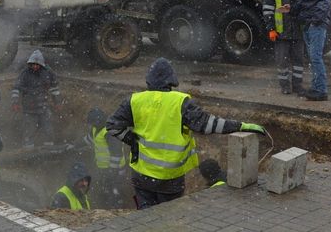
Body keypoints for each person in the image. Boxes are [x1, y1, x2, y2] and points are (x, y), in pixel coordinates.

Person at [106, 57, 266, 209]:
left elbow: (112, 127)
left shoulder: (134, 101)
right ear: (171, 80)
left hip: (141, 176)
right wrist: (241, 126)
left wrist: (132, 141)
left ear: (149, 79)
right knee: (169, 216)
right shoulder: (181, 103)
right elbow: (209, 125)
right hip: (170, 179)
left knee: (146, 215)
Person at [290, 0, 331, 101]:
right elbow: (307, 5)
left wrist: (314, 21)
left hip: (315, 26)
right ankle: (316, 87)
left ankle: (320, 90)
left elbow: (323, 3)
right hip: (310, 25)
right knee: (314, 58)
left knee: (315, 58)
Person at [262, 0, 305, 95]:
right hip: (281, 34)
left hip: (297, 33)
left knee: (299, 61)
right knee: (282, 62)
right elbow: (267, 12)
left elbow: (303, 8)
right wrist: (271, 29)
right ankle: (285, 86)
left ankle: (297, 86)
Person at [11, 49, 61, 147]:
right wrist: (15, 102)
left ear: (41, 64)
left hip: (44, 107)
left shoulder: (48, 73)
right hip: (29, 109)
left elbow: (54, 89)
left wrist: (57, 102)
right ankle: (28, 152)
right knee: (29, 132)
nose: (34, 66)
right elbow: (16, 89)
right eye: (33, 64)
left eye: (37, 64)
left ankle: (49, 150)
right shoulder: (24, 74)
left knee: (48, 131)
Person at [85, 107, 126, 207]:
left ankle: (116, 210)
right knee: (106, 190)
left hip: (116, 169)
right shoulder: (95, 129)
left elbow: (116, 154)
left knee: (114, 192)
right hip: (104, 168)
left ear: (97, 121)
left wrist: (112, 171)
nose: (91, 125)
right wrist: (72, 146)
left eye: (92, 123)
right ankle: (107, 206)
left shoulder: (109, 132)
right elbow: (87, 140)